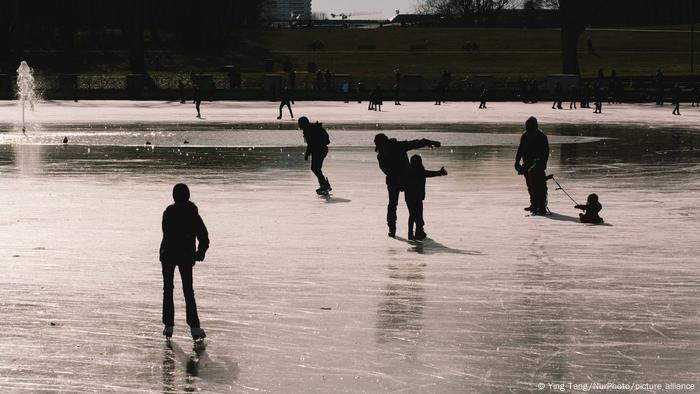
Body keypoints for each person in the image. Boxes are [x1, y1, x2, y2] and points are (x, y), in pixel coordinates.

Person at [160, 183, 209, 341]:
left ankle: (168, 325)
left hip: (168, 254)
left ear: (174, 196)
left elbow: (166, 233)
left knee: (168, 289)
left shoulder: (169, 212)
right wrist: (199, 253)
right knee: (188, 291)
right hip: (185, 256)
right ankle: (194, 327)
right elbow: (204, 236)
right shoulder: (192, 213)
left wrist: (198, 252)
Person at [374, 133, 441, 237]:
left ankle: (414, 229)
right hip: (403, 179)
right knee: (406, 205)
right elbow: (414, 143)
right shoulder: (388, 151)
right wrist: (429, 142)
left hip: (401, 180)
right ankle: (400, 228)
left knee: (407, 205)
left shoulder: (389, 150)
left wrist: (429, 142)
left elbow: (414, 143)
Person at [405, 155, 447, 240]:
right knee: (418, 215)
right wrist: (440, 172)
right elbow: (430, 174)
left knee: (412, 215)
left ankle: (411, 233)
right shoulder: (420, 171)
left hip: (409, 197)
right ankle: (418, 232)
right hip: (418, 197)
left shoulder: (408, 171)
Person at [514, 117, 549, 212]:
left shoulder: (541, 136)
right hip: (527, 164)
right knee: (530, 185)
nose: (527, 127)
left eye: (529, 126)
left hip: (537, 165)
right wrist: (517, 161)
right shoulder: (525, 135)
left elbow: (545, 152)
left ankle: (541, 205)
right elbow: (520, 149)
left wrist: (543, 163)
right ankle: (534, 204)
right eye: (526, 126)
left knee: (539, 186)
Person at [299, 117, 331, 194]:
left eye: (300, 123)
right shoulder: (313, 127)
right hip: (321, 149)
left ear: (303, 123)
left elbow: (310, 144)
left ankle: (324, 185)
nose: (299, 125)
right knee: (316, 168)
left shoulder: (308, 130)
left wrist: (307, 154)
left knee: (315, 168)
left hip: (319, 150)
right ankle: (324, 184)